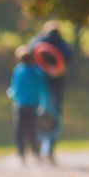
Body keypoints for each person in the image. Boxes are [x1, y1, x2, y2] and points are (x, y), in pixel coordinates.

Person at [28, 20, 73, 162]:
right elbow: (67, 58)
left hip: (38, 86)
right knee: (54, 118)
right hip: (55, 85)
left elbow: (29, 53)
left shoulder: (37, 41)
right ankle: (49, 151)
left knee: (37, 116)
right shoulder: (62, 44)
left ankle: (37, 149)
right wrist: (57, 69)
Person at [7, 45, 50, 164]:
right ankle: (36, 153)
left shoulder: (18, 71)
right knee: (33, 130)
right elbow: (43, 89)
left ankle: (21, 154)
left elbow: (14, 89)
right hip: (34, 105)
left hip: (21, 105)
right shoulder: (38, 72)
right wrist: (43, 104)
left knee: (20, 130)